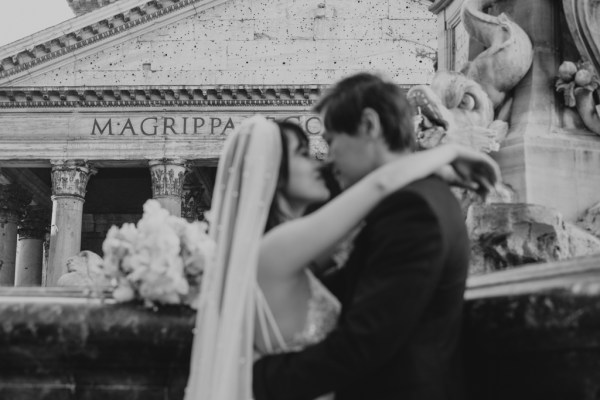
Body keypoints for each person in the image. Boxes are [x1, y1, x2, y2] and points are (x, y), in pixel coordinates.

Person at [185, 89, 499, 399]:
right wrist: (447, 153)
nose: (324, 160)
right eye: (304, 154)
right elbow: (379, 184)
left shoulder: (296, 244)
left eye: (330, 142)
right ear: (273, 175)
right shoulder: (280, 247)